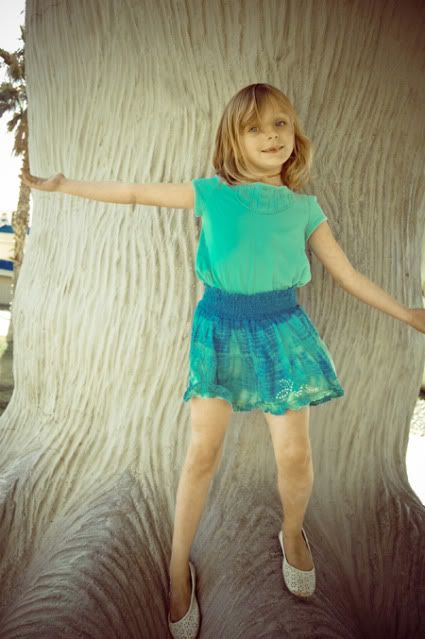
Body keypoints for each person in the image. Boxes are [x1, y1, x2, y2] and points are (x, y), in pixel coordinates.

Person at [21, 82, 425, 639]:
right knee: (201, 455)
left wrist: (409, 313)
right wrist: (65, 185)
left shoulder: (304, 208)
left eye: (280, 124)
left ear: (294, 133)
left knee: (295, 456)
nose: (271, 136)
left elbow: (348, 276)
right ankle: (176, 568)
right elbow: (135, 192)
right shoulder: (212, 193)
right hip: (220, 329)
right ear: (233, 141)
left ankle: (292, 532)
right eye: (255, 128)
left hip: (283, 332)